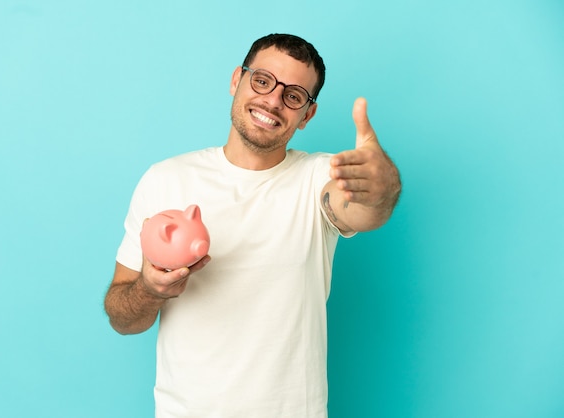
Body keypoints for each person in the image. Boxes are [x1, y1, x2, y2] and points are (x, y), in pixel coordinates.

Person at [104, 33, 401, 418]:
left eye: (293, 95)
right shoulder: (164, 180)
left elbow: (361, 210)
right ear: (236, 81)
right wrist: (150, 289)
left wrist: (382, 187)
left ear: (306, 115)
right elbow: (122, 318)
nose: (273, 100)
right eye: (262, 81)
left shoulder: (319, 178)